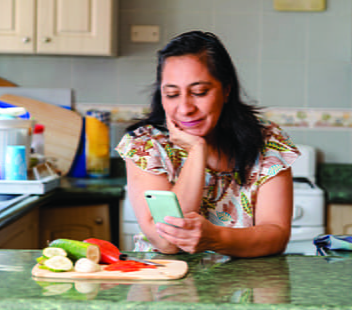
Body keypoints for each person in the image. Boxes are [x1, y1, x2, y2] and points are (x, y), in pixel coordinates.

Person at [116, 31, 300, 258]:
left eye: (199, 92)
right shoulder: (145, 145)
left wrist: (216, 238)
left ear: (226, 89)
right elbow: (167, 242)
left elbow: (276, 236)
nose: (184, 108)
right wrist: (196, 152)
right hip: (166, 287)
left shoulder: (268, 141)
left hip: (246, 285)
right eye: (172, 94)